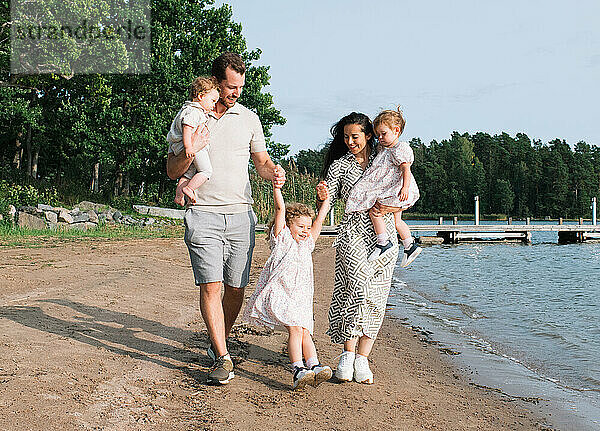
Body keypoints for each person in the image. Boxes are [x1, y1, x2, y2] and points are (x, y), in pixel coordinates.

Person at [166, 52, 285, 385]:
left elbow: (260, 161)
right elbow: (172, 169)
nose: (236, 93)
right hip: (202, 213)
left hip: (240, 214)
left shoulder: (249, 119)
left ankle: (219, 338)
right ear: (216, 83)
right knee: (212, 285)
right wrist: (190, 152)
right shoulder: (192, 116)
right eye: (231, 87)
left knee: (236, 288)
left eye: (240, 87)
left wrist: (272, 171)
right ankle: (222, 355)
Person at [316, 112, 400, 385]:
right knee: (355, 288)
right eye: (346, 137)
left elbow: (406, 196)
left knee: (376, 296)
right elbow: (328, 200)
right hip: (352, 231)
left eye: (355, 136)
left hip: (384, 233)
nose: (350, 141)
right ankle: (347, 355)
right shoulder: (340, 166)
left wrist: (390, 208)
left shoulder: (387, 159)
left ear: (369, 135)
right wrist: (321, 200)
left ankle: (363, 358)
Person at [243, 170, 333, 390]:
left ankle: (315, 365)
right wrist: (277, 188)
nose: (305, 231)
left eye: (307, 227)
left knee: (304, 330)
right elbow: (280, 209)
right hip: (282, 292)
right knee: (295, 329)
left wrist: (326, 200)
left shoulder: (307, 244)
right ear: (289, 225)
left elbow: (320, 219)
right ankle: (297, 369)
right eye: (300, 226)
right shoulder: (282, 240)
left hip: (301, 296)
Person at [345, 107, 422, 266]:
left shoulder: (400, 149)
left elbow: (406, 170)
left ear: (396, 130)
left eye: (383, 134)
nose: (380, 138)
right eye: (378, 135)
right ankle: (410, 245)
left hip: (397, 190)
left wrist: (405, 188)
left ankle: (383, 242)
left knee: (375, 211)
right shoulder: (384, 148)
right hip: (392, 190)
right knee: (397, 221)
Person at [167, 76, 220, 206]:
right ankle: (189, 188)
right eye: (213, 101)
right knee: (206, 171)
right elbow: (187, 127)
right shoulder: (194, 111)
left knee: (189, 173)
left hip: (186, 146)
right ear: (201, 96)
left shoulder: (189, 109)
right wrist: (189, 147)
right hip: (191, 146)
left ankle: (179, 196)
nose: (214, 105)